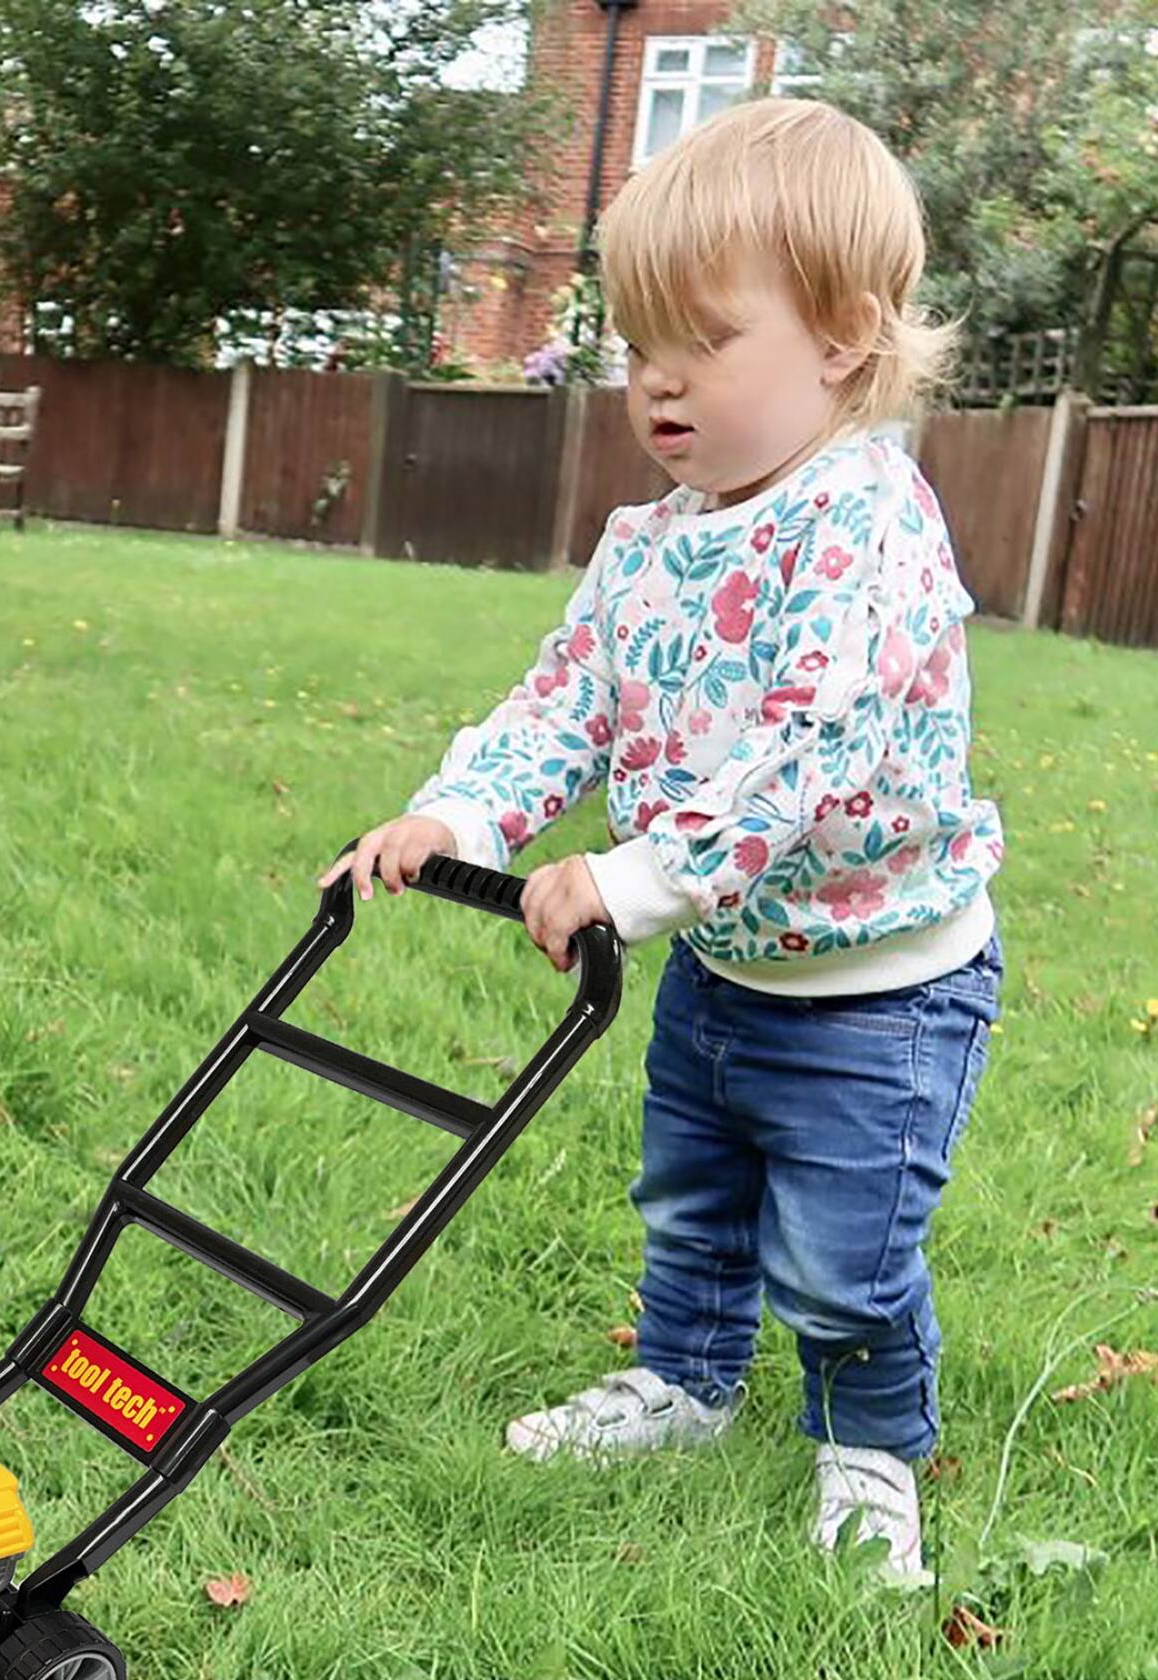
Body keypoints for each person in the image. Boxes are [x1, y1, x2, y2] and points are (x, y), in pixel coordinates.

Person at [318, 96, 1005, 1587]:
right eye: (638, 345)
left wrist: (631, 880)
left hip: (880, 989)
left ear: (843, 337)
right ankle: (685, 1383)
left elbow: (807, 755)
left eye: (704, 339)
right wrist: (458, 815)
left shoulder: (866, 523)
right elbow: (565, 704)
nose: (659, 380)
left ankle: (871, 1451)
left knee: (846, 1258)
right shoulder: (649, 546)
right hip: (722, 970)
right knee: (691, 1206)